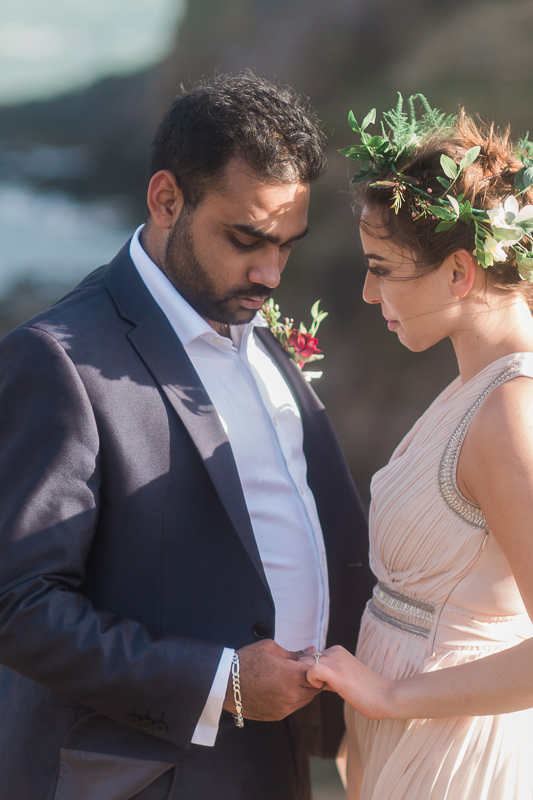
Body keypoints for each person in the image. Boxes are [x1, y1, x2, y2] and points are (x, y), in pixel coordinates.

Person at [0, 72, 373, 800]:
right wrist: (219, 682)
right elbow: (19, 603)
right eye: (246, 239)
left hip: (280, 760)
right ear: (166, 199)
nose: (269, 272)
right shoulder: (56, 360)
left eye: (287, 246)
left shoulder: (255, 330)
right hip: (138, 777)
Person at [302, 96, 533, 799]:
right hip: (408, 737)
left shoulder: (510, 412)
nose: (368, 294)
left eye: (381, 268)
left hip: (452, 752)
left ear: (459, 272)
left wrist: (389, 697)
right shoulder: (474, 389)